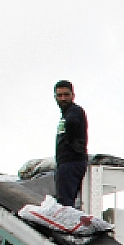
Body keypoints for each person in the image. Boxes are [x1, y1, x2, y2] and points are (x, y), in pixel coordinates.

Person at [52, 80, 89, 208]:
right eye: (59, 95)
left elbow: (72, 122)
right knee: (64, 200)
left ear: (73, 95)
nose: (63, 98)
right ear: (55, 97)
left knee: (65, 204)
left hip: (71, 162)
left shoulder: (74, 111)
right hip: (66, 162)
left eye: (66, 95)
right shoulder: (66, 114)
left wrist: (72, 145)